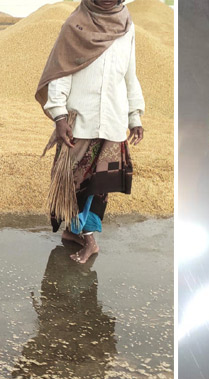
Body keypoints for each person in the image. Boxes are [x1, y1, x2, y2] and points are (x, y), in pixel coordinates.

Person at [36, 0, 144, 264]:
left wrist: (134, 116)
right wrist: (59, 116)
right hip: (80, 122)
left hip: (112, 122)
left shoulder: (127, 27)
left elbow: (130, 75)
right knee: (73, 184)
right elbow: (61, 73)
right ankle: (80, 234)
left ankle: (85, 237)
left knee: (99, 187)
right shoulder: (75, 25)